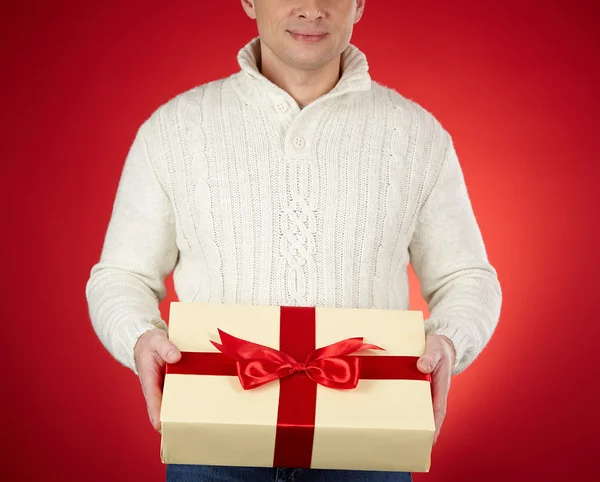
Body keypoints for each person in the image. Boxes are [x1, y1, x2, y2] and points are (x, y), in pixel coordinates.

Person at [85, 0, 502, 480]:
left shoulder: (417, 137)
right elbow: (120, 276)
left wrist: (449, 341)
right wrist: (139, 336)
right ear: (248, 0)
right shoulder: (174, 130)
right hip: (213, 451)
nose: (312, 8)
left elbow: (467, 278)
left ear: (360, 3)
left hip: (368, 450)